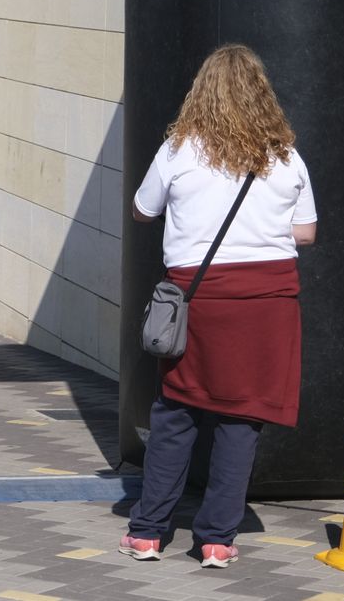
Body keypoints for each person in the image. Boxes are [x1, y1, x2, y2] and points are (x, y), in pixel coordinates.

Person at [121, 43, 317, 569]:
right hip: (268, 305)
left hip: (199, 298)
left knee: (177, 412)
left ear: (201, 92)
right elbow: (306, 232)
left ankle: (147, 532)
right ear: (263, 94)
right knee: (241, 419)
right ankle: (215, 539)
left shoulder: (179, 150)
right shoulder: (285, 157)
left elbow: (143, 210)